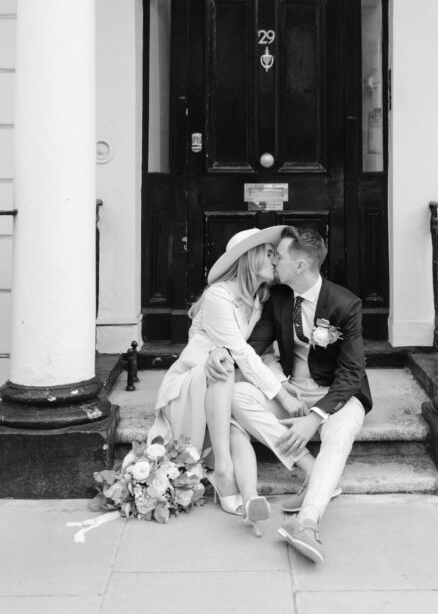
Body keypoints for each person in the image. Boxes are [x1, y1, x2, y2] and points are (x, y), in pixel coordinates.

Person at [207, 225, 372, 564]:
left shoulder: (346, 304)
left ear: (300, 266)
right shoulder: (279, 297)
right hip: (292, 391)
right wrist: (219, 351)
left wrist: (315, 419)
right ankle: (310, 470)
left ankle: (307, 522)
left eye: (278, 257)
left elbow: (352, 374)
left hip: (336, 395)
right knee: (237, 395)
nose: (273, 261)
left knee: (339, 433)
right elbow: (252, 347)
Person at [147, 225, 308, 535]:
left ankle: (249, 499)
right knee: (222, 359)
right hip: (189, 384)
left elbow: (263, 355)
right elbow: (242, 353)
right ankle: (223, 469)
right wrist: (282, 397)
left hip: (220, 393)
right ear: (250, 258)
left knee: (235, 417)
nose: (276, 259)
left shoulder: (259, 300)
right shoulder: (219, 296)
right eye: (270, 254)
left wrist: (280, 381)